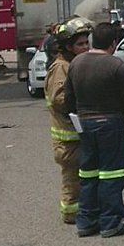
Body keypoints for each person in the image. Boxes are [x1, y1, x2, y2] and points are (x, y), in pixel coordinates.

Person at [66, 22, 124, 238]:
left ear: (92, 42)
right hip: (111, 124)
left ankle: (86, 221)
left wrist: (77, 119)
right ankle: (110, 222)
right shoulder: (115, 65)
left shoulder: (76, 64)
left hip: (85, 124)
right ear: (114, 43)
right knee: (112, 173)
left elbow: (68, 99)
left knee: (88, 173)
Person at [44, 16, 93, 224]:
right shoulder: (62, 67)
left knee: (82, 177)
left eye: (86, 42)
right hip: (67, 140)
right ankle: (71, 214)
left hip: (76, 136)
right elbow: (60, 99)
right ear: (68, 46)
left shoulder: (74, 63)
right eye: (80, 44)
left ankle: (82, 210)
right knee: (72, 180)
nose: (85, 47)